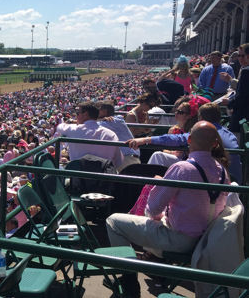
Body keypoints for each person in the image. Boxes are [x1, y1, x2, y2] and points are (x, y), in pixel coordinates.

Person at [107, 121, 230, 296]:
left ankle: (129, 285)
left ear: (189, 141)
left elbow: (152, 209)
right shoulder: (223, 171)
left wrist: (160, 185)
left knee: (114, 222)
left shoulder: (182, 168)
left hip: (180, 240)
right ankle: (155, 269)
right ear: (215, 144)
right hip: (207, 240)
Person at [126, 102, 243, 183]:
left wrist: (145, 139)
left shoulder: (203, 131)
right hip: (234, 181)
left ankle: (146, 189)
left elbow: (175, 139)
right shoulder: (229, 134)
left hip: (216, 182)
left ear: (200, 118)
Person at [54, 101, 123, 169]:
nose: (76, 116)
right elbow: (119, 162)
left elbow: (59, 127)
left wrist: (70, 121)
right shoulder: (111, 134)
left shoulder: (72, 129)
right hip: (102, 177)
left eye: (78, 113)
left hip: (78, 177)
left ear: (85, 114)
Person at [97, 101, 140, 170]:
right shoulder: (118, 119)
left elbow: (89, 125)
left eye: (97, 109)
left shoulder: (110, 121)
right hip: (127, 158)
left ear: (104, 111)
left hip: (127, 159)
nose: (94, 112)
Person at [223, 43, 249, 135]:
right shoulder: (243, 69)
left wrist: (230, 103)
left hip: (242, 116)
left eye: (242, 55)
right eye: (238, 55)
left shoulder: (246, 72)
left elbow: (243, 96)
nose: (240, 58)